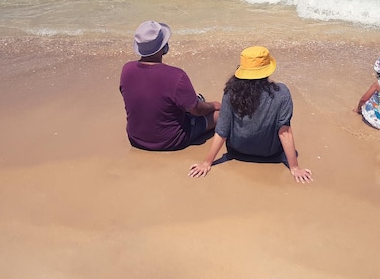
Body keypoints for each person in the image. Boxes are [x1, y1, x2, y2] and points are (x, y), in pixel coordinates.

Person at [188, 46, 313, 183]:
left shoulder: (231, 93)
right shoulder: (282, 93)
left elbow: (222, 131)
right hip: (270, 155)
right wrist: (294, 167)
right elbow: (285, 132)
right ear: (267, 69)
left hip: (237, 152)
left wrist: (207, 163)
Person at [119, 20, 220, 151]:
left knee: (186, 101)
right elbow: (197, 111)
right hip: (172, 140)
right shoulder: (176, 76)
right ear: (163, 47)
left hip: (136, 139)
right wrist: (214, 105)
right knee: (222, 114)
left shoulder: (127, 70)